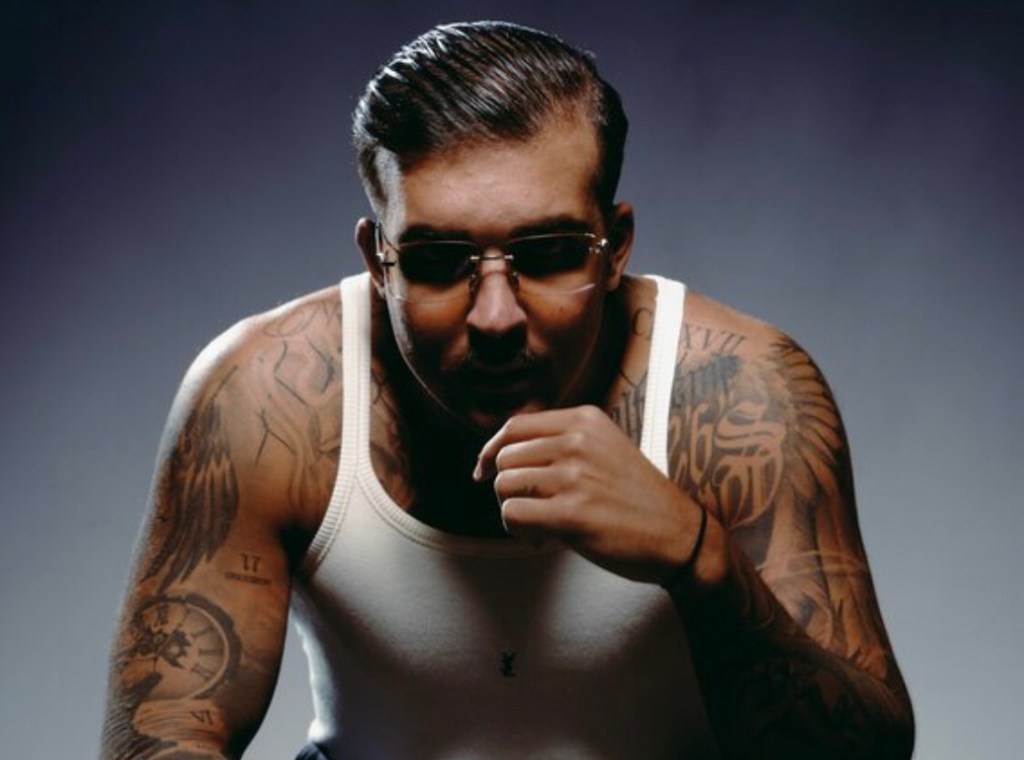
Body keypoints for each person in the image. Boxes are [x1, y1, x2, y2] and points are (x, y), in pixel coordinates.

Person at [101, 20, 914, 760]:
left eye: (550, 251)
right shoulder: (265, 396)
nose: (495, 317)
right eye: (436, 261)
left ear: (615, 248)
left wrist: (699, 557)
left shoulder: (737, 394)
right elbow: (162, 736)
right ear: (378, 261)